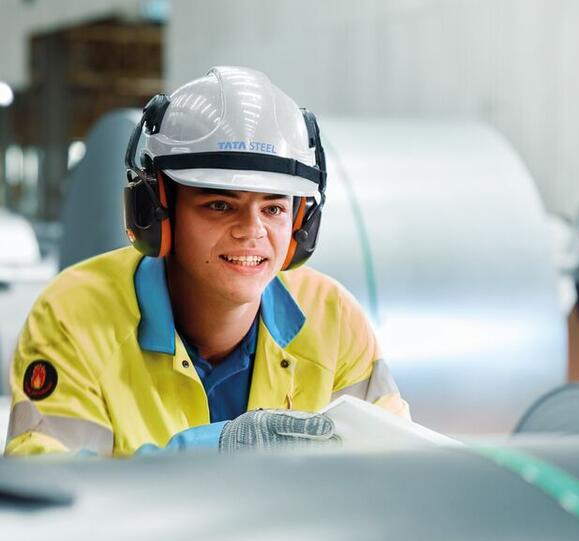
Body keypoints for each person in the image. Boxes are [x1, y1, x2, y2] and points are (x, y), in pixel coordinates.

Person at [5, 66, 409, 457]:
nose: (252, 231)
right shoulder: (74, 315)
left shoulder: (334, 321)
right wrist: (217, 451)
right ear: (158, 211)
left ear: (302, 222)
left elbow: (398, 469)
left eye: (273, 209)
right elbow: (51, 488)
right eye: (220, 205)